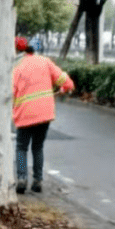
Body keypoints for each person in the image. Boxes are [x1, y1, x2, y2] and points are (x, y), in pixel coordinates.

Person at [12, 35, 74, 194]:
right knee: (37, 147)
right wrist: (63, 89)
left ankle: (21, 178)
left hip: (25, 114)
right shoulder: (46, 62)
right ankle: (38, 181)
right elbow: (67, 82)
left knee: (21, 148)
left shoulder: (18, 67)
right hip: (44, 114)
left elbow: (10, 92)